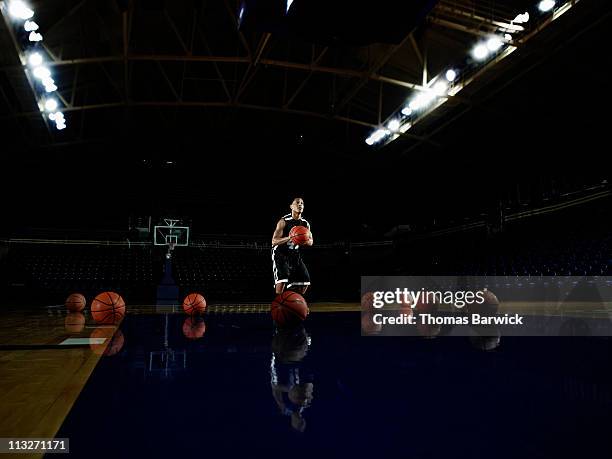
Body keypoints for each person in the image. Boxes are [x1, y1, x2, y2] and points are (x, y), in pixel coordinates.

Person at [271, 197, 313, 295]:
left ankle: (295, 302)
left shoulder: (305, 224)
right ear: (291, 206)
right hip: (280, 253)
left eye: (302, 203)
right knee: (282, 280)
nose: (300, 205)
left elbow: (311, 242)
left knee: (305, 280)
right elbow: (274, 241)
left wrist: (303, 240)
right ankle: (279, 303)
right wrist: (290, 237)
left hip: (294, 254)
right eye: (297, 203)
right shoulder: (284, 221)